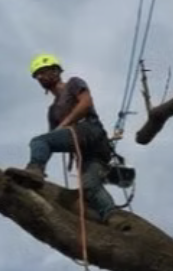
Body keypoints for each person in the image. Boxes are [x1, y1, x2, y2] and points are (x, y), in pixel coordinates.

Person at [10, 54, 125, 225]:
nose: (40, 77)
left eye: (43, 71)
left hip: (91, 131)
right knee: (89, 186)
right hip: (85, 152)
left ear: (56, 71)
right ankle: (114, 217)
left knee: (38, 141)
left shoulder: (73, 83)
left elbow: (85, 104)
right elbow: (53, 138)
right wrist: (60, 132)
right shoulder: (52, 110)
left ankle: (36, 169)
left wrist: (64, 125)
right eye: (37, 75)